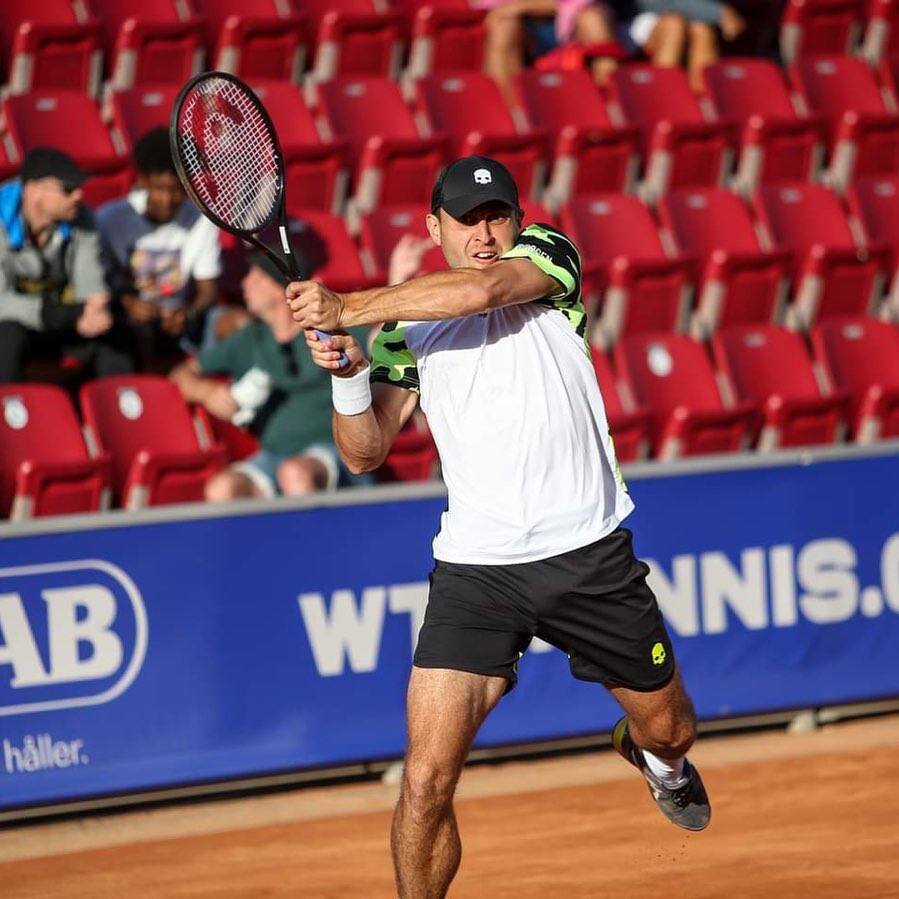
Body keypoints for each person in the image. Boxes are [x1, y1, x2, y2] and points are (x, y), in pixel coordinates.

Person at [286, 155, 711, 898]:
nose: (484, 234)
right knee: (423, 778)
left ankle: (658, 763)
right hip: (477, 571)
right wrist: (348, 374)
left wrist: (345, 305)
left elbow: (482, 291)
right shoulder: (402, 332)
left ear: (517, 220)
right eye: (465, 220)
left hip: (587, 554)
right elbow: (365, 451)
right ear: (433, 228)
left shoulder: (547, 258)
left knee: (669, 727)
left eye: (496, 217)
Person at [170, 248, 364, 501]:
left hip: (332, 452)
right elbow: (180, 374)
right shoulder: (252, 337)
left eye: (254, 276)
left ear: (279, 288)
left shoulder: (329, 331)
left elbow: (381, 342)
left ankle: (308, 541)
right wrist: (206, 392)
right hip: (273, 455)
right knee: (223, 488)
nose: (244, 283)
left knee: (295, 474)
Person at [0, 147, 131, 383]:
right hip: (19, 322)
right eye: (68, 189)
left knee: (115, 333)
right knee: (6, 336)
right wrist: (58, 313)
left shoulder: (82, 219)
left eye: (79, 188)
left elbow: (90, 282)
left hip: (64, 320)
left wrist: (96, 309)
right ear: (33, 191)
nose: (79, 195)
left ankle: (118, 410)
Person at [97, 128, 221, 371]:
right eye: (159, 188)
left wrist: (188, 313)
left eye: (176, 190)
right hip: (129, 319)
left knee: (237, 323)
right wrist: (126, 302)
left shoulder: (201, 220)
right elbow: (98, 283)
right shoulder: (111, 218)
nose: (167, 199)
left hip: (180, 320)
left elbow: (208, 290)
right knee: (137, 331)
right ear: (142, 181)